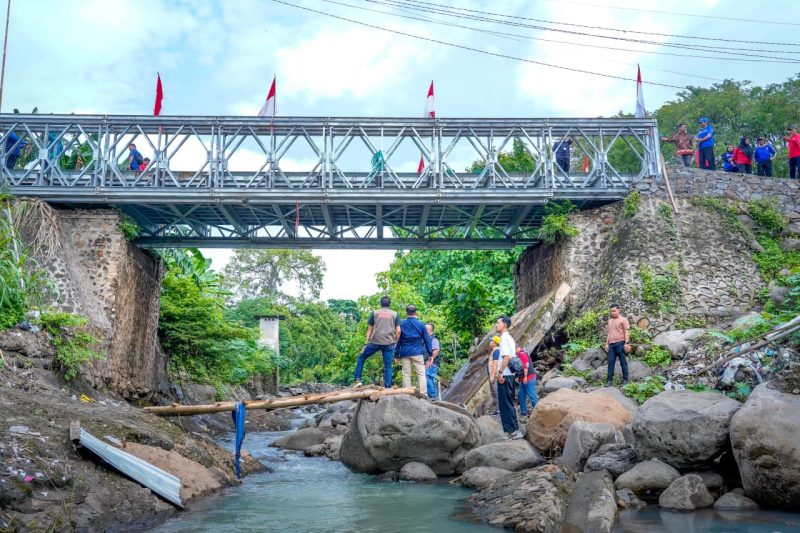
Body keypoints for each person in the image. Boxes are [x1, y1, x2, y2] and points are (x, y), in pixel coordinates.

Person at [353, 296, 401, 388]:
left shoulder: (375, 313)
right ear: (389, 304)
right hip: (388, 343)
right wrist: (395, 341)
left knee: (362, 357)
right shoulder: (395, 314)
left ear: (381, 303)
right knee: (388, 366)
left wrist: (366, 344)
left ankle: (358, 379)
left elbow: (369, 330)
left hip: (375, 342)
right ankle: (388, 387)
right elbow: (398, 331)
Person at [495, 315, 523, 439]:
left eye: (498, 323)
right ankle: (510, 431)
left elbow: (506, 357)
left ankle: (514, 431)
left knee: (506, 404)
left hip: (505, 375)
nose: (496, 325)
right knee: (506, 403)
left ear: (504, 325)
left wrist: (500, 373)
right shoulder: (508, 338)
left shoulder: (505, 338)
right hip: (508, 375)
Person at [395, 305, 433, 397]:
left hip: (405, 352)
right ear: (416, 312)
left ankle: (407, 394)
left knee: (406, 374)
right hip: (417, 352)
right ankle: (423, 394)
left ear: (406, 313)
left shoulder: (402, 324)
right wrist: (430, 354)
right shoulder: (421, 324)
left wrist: (396, 354)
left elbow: (399, 340)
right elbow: (427, 339)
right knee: (421, 374)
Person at [604, 303, 630, 386]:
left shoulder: (623, 320)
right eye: (611, 311)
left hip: (620, 343)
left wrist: (626, 343)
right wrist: (606, 344)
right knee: (610, 363)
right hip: (611, 345)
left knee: (623, 362)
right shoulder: (610, 321)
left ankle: (625, 380)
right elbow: (609, 333)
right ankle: (609, 381)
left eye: (614, 311)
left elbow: (626, 331)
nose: (613, 313)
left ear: (618, 310)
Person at [515, 345, 538, 417]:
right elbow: (520, 367)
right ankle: (523, 412)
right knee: (521, 395)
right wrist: (518, 377)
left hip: (528, 378)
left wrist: (525, 377)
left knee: (532, 395)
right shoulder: (520, 354)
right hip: (524, 379)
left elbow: (526, 366)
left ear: (517, 348)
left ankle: (538, 412)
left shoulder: (522, 354)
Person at [423, 322, 441, 400]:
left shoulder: (434, 340)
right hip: (426, 363)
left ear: (432, 331)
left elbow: (436, 350)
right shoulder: (424, 340)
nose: (426, 330)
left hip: (432, 363)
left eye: (428, 329)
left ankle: (433, 398)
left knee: (429, 378)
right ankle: (429, 397)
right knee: (425, 379)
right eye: (425, 329)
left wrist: (430, 360)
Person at [486, 336, 501, 415]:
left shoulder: (496, 351)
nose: (490, 342)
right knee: (494, 392)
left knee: (496, 392)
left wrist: (492, 376)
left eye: (491, 341)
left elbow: (495, 364)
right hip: (492, 375)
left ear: (495, 343)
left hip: (494, 376)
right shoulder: (494, 351)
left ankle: (499, 410)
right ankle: (498, 409)